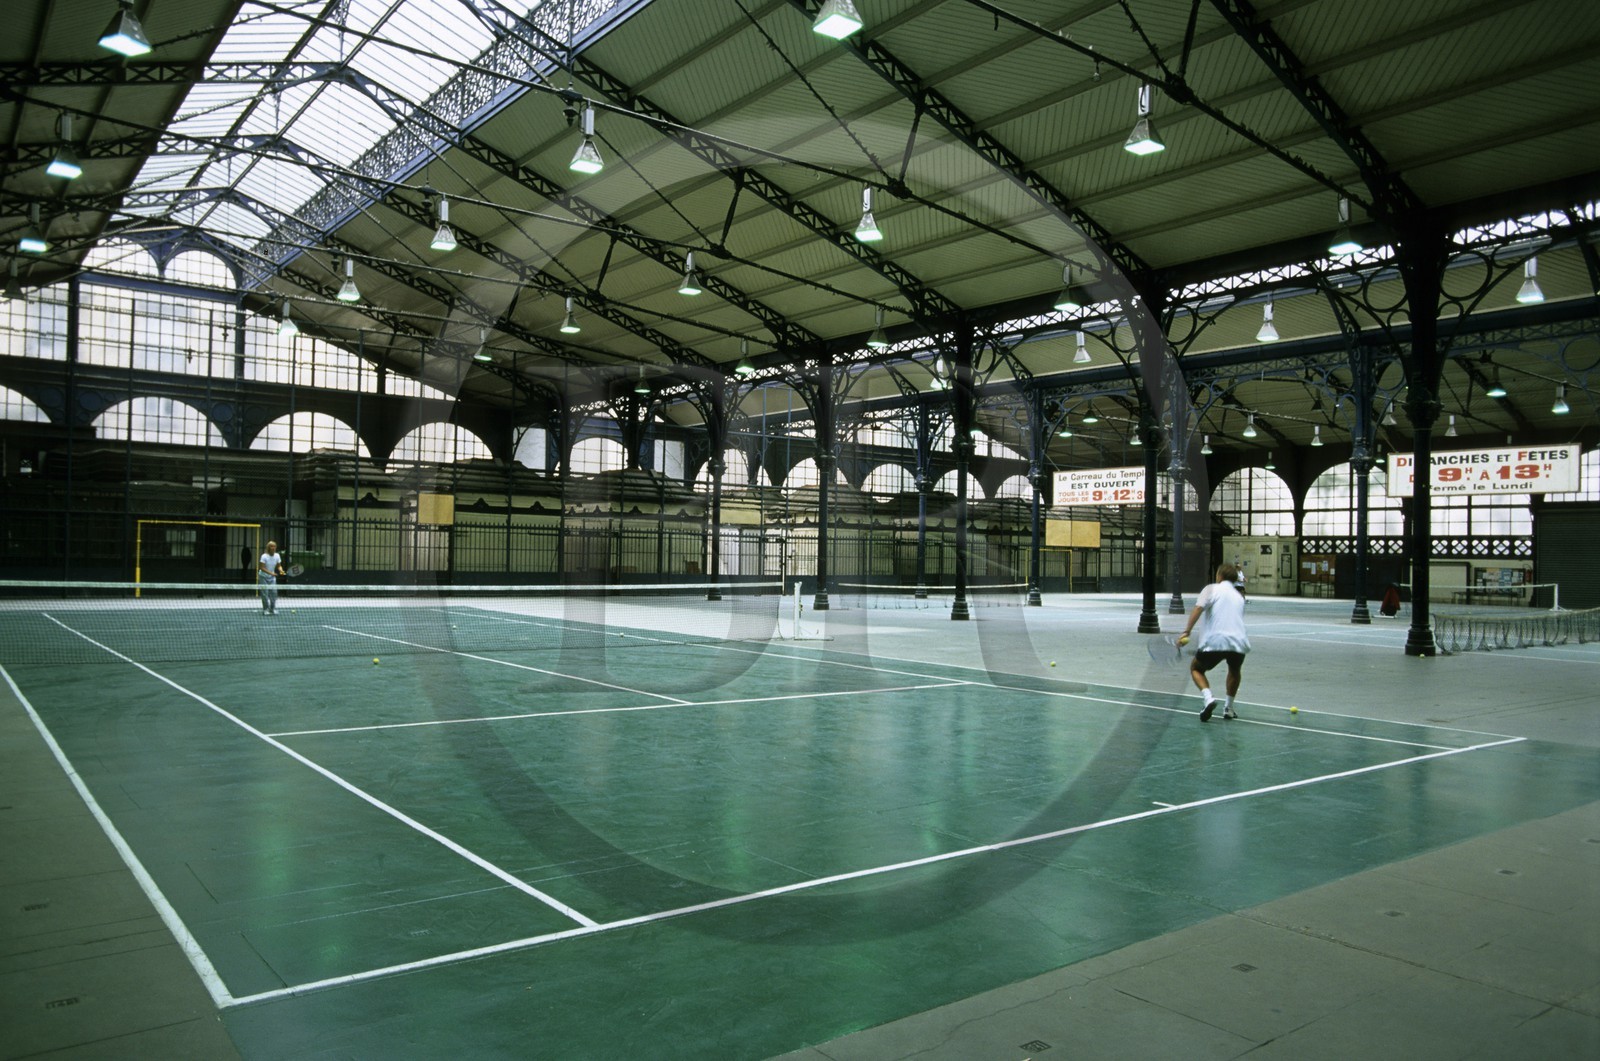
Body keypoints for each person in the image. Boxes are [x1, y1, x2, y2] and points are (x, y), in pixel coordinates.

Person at [1178, 562, 1251, 722]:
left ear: (1219, 576)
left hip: (1215, 641)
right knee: (1234, 669)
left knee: (1196, 668)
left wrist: (1186, 631)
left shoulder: (1211, 589)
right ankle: (1229, 708)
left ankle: (1208, 698)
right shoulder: (1239, 596)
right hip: (1238, 642)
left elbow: (1198, 608)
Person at [258, 539, 286, 615]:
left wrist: (281, 570)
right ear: (268, 547)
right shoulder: (264, 556)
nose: (273, 548)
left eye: (274, 546)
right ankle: (265, 609)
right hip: (263, 577)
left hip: (272, 578)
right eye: (271, 546)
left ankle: (272, 609)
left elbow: (279, 566)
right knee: (265, 593)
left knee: (274, 593)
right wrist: (271, 573)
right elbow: (262, 568)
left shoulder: (277, 556)